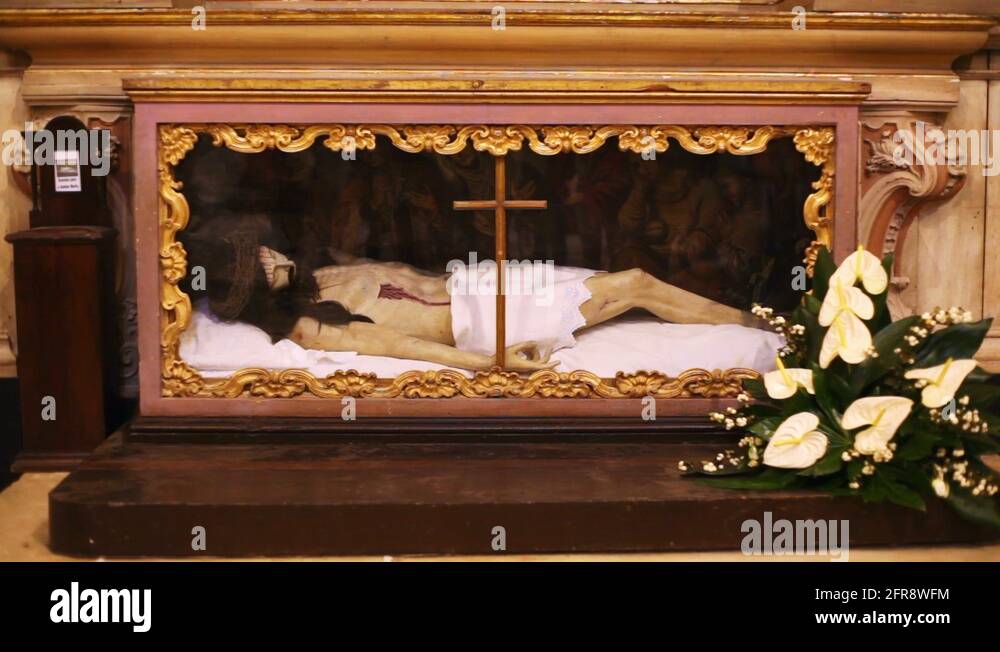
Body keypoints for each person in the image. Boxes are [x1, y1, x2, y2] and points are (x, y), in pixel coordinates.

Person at [187, 226, 758, 373]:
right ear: (254, 291)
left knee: (629, 286)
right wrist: (491, 363)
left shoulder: (321, 276)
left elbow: (410, 272)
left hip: (482, 284)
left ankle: (757, 325)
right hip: (487, 316)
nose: (267, 254)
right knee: (635, 284)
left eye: (259, 249)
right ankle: (761, 330)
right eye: (256, 263)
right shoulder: (309, 327)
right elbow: (402, 344)